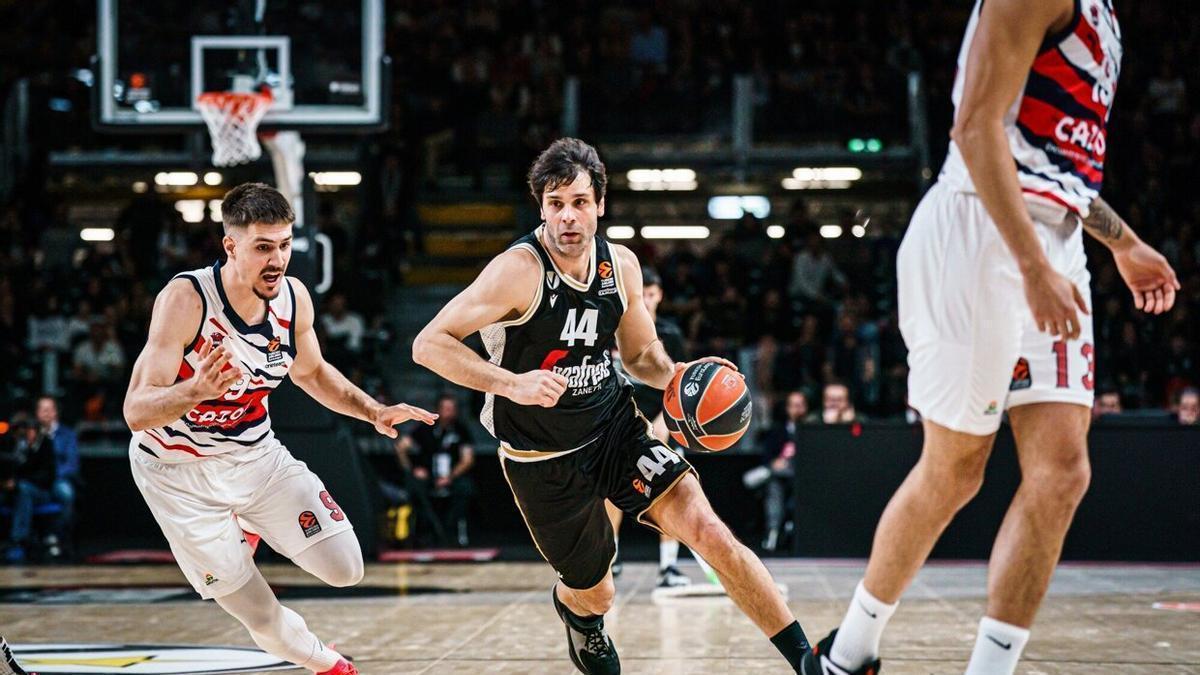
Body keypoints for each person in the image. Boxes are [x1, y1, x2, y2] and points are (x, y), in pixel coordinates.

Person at [804, 2, 1179, 674]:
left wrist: (1124, 242)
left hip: (1056, 239)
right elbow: (976, 129)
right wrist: (1031, 264)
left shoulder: (1107, 13)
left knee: (1063, 471)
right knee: (954, 469)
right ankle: (848, 652)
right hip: (978, 229)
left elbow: (1053, 163)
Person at [413, 138, 813, 674]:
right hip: (542, 458)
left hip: (614, 428)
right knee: (596, 593)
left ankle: (809, 663)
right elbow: (428, 343)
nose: (568, 217)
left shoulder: (620, 265)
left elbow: (640, 352)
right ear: (541, 208)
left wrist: (675, 375)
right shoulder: (517, 271)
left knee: (709, 531)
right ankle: (579, 618)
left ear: (600, 203)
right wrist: (511, 383)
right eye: (556, 204)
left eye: (579, 202)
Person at [122, 183, 437, 675]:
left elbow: (311, 373)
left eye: (285, 244)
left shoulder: (293, 299)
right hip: (176, 473)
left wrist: (372, 411)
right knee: (258, 613)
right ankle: (328, 664)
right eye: (263, 247)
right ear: (231, 247)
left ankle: (248, 520)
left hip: (255, 458)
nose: (278, 260)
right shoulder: (185, 299)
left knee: (346, 568)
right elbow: (136, 412)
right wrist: (196, 390)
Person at [606, 266, 691, 588]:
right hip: (619, 423)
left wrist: (663, 425)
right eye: (642, 293)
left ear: (660, 296)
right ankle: (610, 563)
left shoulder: (669, 334)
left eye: (652, 294)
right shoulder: (612, 328)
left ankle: (668, 568)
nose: (646, 300)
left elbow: (678, 385)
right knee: (609, 494)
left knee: (668, 494)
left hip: (660, 424)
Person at [395, 393, 476, 547]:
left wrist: (450, 477)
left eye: (452, 409)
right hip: (428, 475)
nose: (449, 412)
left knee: (466, 489)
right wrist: (412, 470)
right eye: (446, 409)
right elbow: (401, 447)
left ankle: (450, 531)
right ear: (438, 410)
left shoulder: (461, 430)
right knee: (415, 489)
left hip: (452, 476)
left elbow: (468, 459)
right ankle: (427, 532)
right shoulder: (425, 427)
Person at [749, 391, 808, 553]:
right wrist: (775, 463)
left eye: (801, 405)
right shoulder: (777, 431)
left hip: (805, 476)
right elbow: (768, 456)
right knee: (774, 486)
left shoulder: (813, 430)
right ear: (787, 408)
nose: (798, 410)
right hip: (781, 476)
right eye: (794, 406)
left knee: (775, 477)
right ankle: (773, 531)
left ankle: (766, 474)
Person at [35, 395, 78, 559]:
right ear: (37, 413)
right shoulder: (33, 433)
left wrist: (52, 476)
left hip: (59, 479)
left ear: (55, 412)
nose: (46, 413)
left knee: (66, 493)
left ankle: (58, 536)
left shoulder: (67, 434)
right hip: (36, 480)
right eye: (42, 409)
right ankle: (21, 541)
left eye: (49, 409)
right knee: (22, 491)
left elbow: (72, 464)